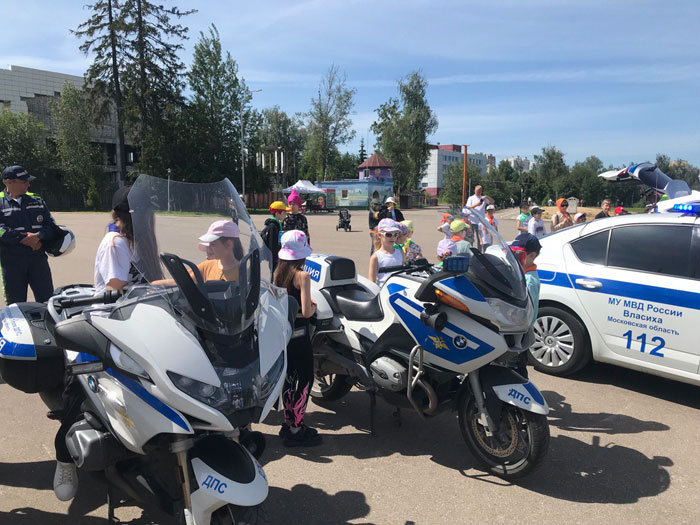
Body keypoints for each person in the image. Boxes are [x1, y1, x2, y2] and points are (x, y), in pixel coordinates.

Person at [274, 230, 322, 447]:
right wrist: (312, 307)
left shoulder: (278, 273)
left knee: (289, 378)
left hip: (284, 334)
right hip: (300, 334)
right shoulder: (302, 276)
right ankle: (297, 427)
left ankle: (288, 421)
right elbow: (306, 311)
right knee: (305, 379)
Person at [0, 165, 57, 305]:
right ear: (9, 182)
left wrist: (38, 236)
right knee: (15, 306)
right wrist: (23, 239)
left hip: (38, 261)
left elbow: (51, 226)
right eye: (24, 181)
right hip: (12, 263)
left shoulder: (37, 200)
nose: (28, 184)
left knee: (47, 303)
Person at [369, 218, 405, 287]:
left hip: (400, 290)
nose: (393, 237)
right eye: (388, 235)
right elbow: (372, 282)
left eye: (395, 234)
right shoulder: (376, 257)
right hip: (383, 291)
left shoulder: (401, 253)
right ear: (380, 235)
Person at [464, 185, 494, 250]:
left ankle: (479, 251)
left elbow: (492, 202)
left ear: (481, 191)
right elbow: (468, 207)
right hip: (471, 221)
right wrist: (477, 204)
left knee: (480, 238)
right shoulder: (471, 198)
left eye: (480, 191)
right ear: (474, 190)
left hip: (480, 222)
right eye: (477, 191)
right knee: (471, 237)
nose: (478, 192)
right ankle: (470, 250)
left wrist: (487, 197)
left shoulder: (483, 198)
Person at [262, 201, 288, 271]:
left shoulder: (278, 224)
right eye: (284, 212)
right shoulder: (273, 227)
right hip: (273, 261)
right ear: (277, 213)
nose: (285, 215)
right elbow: (272, 246)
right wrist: (276, 261)